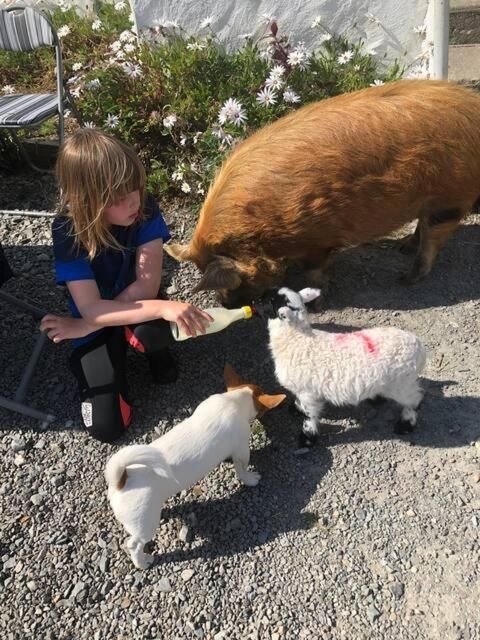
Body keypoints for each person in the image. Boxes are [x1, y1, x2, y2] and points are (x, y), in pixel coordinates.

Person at [40, 128, 212, 444]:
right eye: (120, 198)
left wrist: (87, 324)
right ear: (87, 202)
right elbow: (92, 305)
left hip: (120, 307)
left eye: (136, 188)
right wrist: (93, 322)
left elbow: (147, 285)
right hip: (97, 315)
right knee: (107, 427)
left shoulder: (143, 206)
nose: (133, 202)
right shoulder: (67, 229)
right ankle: (105, 358)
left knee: (152, 333)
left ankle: (150, 350)